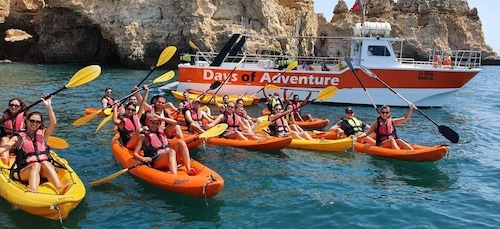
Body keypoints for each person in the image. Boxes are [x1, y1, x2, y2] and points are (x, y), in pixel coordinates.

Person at [0, 95, 69, 194]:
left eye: (37, 122)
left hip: (42, 171)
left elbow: (53, 123)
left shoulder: (44, 134)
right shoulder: (18, 137)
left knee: (45, 162)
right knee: (35, 165)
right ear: (26, 121)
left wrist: (48, 107)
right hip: (23, 172)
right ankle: (34, 190)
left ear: (40, 123)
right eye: (32, 121)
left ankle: (59, 187)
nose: (34, 123)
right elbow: (4, 148)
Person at [1, 98, 27, 163]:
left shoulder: (26, 119)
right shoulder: (3, 118)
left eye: (16, 106)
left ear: (20, 107)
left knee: (14, 138)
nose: (13, 107)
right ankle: (5, 163)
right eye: (11, 105)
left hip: (18, 144)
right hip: (6, 143)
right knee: (4, 139)